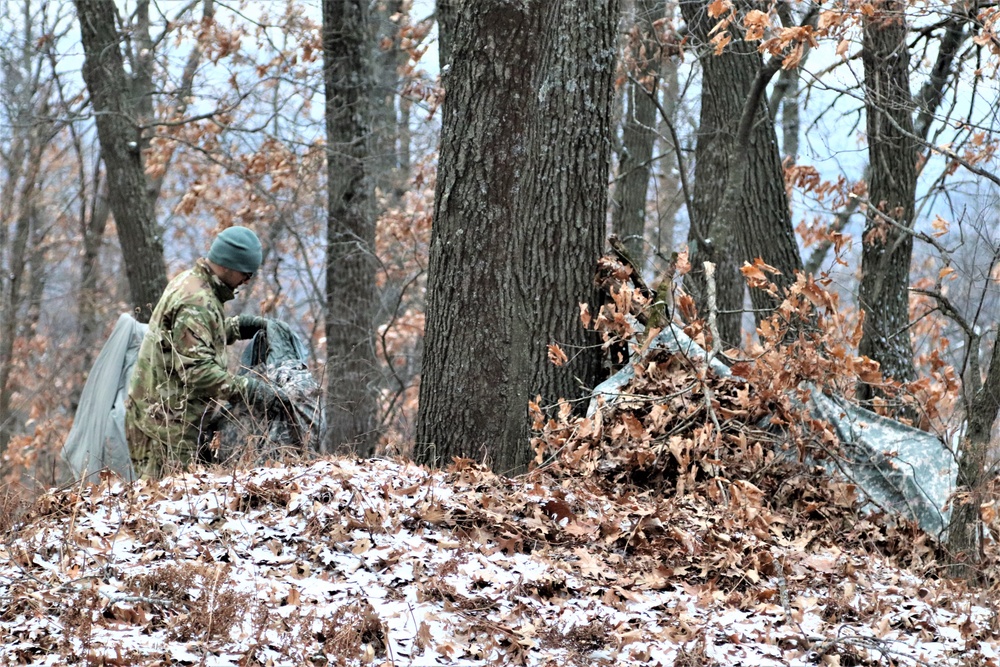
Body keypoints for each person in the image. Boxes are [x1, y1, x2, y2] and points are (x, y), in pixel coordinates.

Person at [125, 226, 288, 479]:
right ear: (227, 266)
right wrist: (250, 390)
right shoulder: (196, 301)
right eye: (246, 273)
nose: (247, 280)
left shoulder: (194, 283)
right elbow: (197, 372)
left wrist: (238, 326)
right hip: (166, 429)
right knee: (167, 510)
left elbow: (190, 338)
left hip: (164, 418)